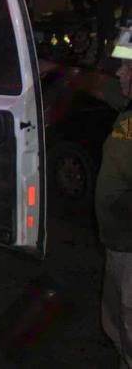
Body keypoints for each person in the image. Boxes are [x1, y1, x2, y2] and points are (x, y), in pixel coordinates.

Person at [94, 27, 132, 368]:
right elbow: (104, 88)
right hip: (118, 245)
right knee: (119, 324)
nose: (121, 72)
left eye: (128, 67)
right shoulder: (128, 106)